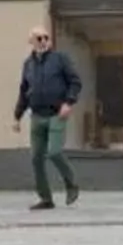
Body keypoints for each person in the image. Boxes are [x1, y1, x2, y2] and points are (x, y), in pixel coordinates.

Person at [12, 23, 82, 211]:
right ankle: (46, 198)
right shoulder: (28, 65)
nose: (43, 41)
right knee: (36, 157)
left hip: (57, 113)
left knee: (55, 152)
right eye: (39, 38)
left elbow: (75, 82)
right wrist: (17, 116)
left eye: (46, 38)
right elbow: (24, 91)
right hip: (37, 115)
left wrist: (69, 102)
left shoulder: (60, 59)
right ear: (31, 42)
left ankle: (72, 184)